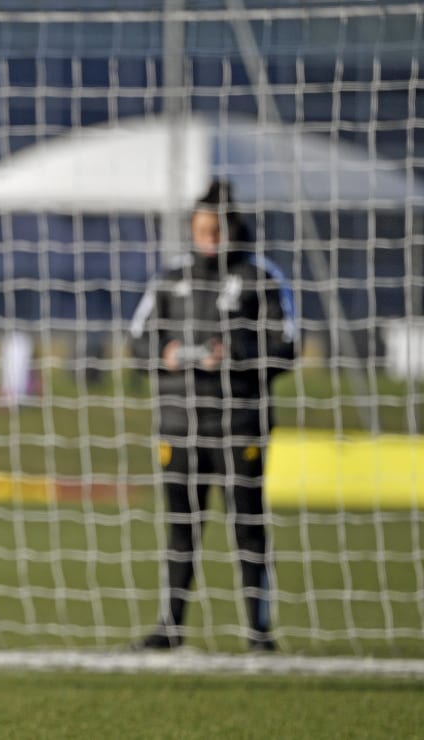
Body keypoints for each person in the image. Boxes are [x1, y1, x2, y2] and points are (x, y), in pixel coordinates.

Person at [126, 179, 297, 652]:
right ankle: (169, 626)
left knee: (248, 525)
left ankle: (259, 631)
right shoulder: (169, 278)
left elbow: (286, 346)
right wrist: (167, 351)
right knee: (180, 528)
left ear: (231, 226)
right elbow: (136, 340)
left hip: (239, 424)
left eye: (216, 227)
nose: (209, 235)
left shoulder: (260, 276)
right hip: (179, 425)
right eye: (201, 227)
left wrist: (233, 353)